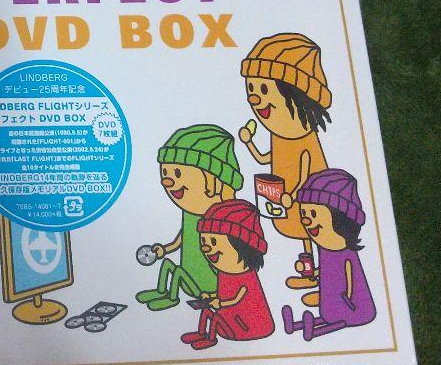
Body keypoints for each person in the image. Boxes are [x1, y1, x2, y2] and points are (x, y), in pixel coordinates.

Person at [238, 33, 331, 288]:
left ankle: (326, 277)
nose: (254, 98)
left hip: (307, 199)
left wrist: (294, 193)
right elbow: (265, 159)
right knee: (304, 236)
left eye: (263, 89)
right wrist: (248, 142)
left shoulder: (304, 139)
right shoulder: (279, 136)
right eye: (252, 89)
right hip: (286, 199)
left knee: (316, 231)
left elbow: (308, 173)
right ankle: (310, 274)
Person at [136, 123, 243, 311]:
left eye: (177, 173)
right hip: (189, 277)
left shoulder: (219, 221)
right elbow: (183, 237)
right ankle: (161, 291)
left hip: (207, 286)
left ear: (214, 182)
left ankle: (171, 297)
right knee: (168, 264)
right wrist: (165, 249)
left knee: (177, 271)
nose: (167, 181)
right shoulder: (190, 215)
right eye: (165, 173)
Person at [282, 168, 376, 341]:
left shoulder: (346, 253)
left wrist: (346, 299)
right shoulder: (324, 249)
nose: (306, 220)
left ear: (340, 219)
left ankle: (314, 331)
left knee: (339, 319)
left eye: (313, 214)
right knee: (330, 315)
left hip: (353, 309)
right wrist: (313, 272)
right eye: (304, 213)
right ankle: (296, 325)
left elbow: (350, 277)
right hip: (331, 303)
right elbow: (328, 271)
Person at [181, 199, 274, 350]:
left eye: (213, 241)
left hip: (249, 327)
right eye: (204, 241)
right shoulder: (224, 274)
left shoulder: (246, 278)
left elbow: (238, 298)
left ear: (242, 247)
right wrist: (210, 296)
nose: (206, 248)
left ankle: (211, 339)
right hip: (230, 322)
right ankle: (201, 333)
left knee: (216, 316)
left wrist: (220, 304)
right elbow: (223, 293)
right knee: (206, 311)